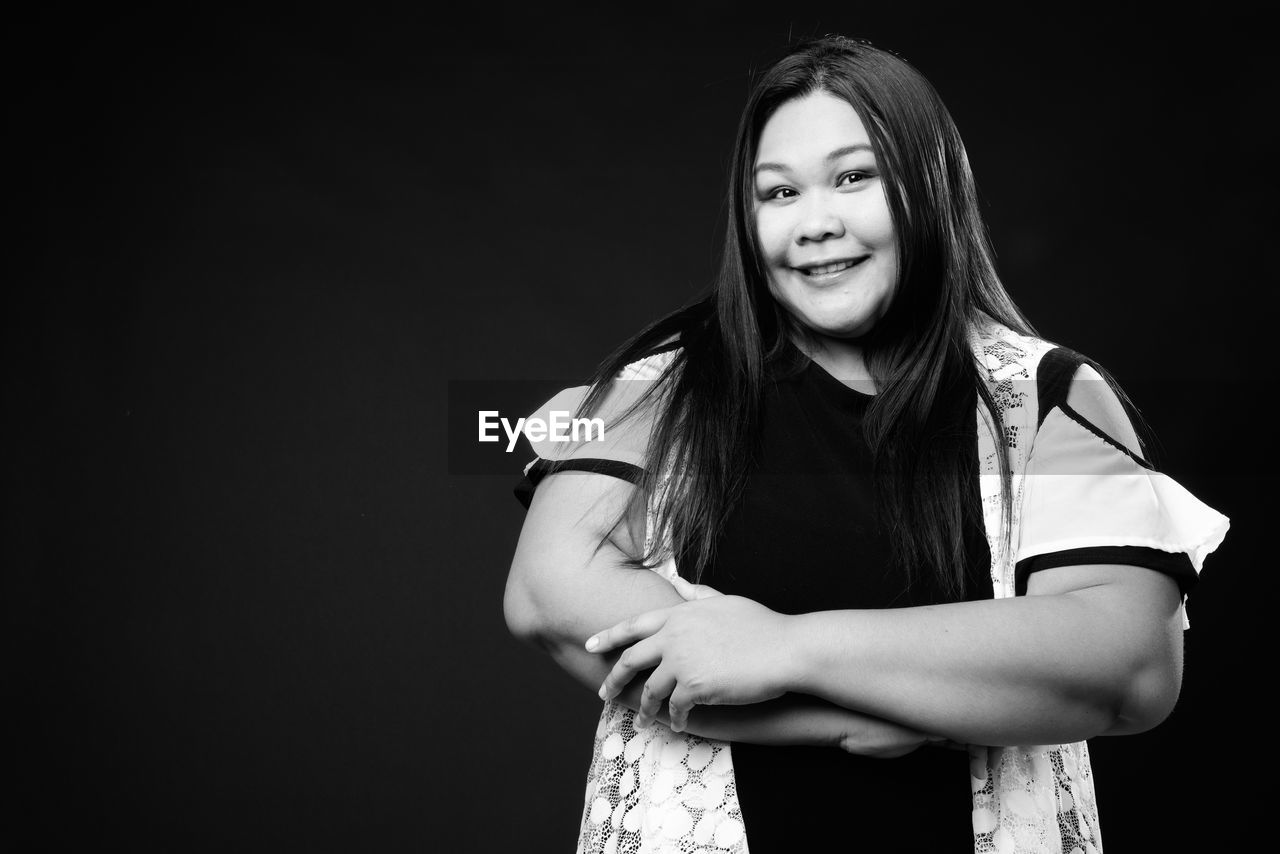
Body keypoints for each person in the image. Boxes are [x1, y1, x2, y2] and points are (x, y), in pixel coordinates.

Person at [503, 36, 1229, 853]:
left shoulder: (1048, 394)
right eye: (777, 193)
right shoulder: (662, 383)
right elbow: (547, 596)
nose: (815, 224)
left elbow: (1128, 664)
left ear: (931, 187)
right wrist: (866, 716)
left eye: (855, 177)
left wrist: (785, 649)